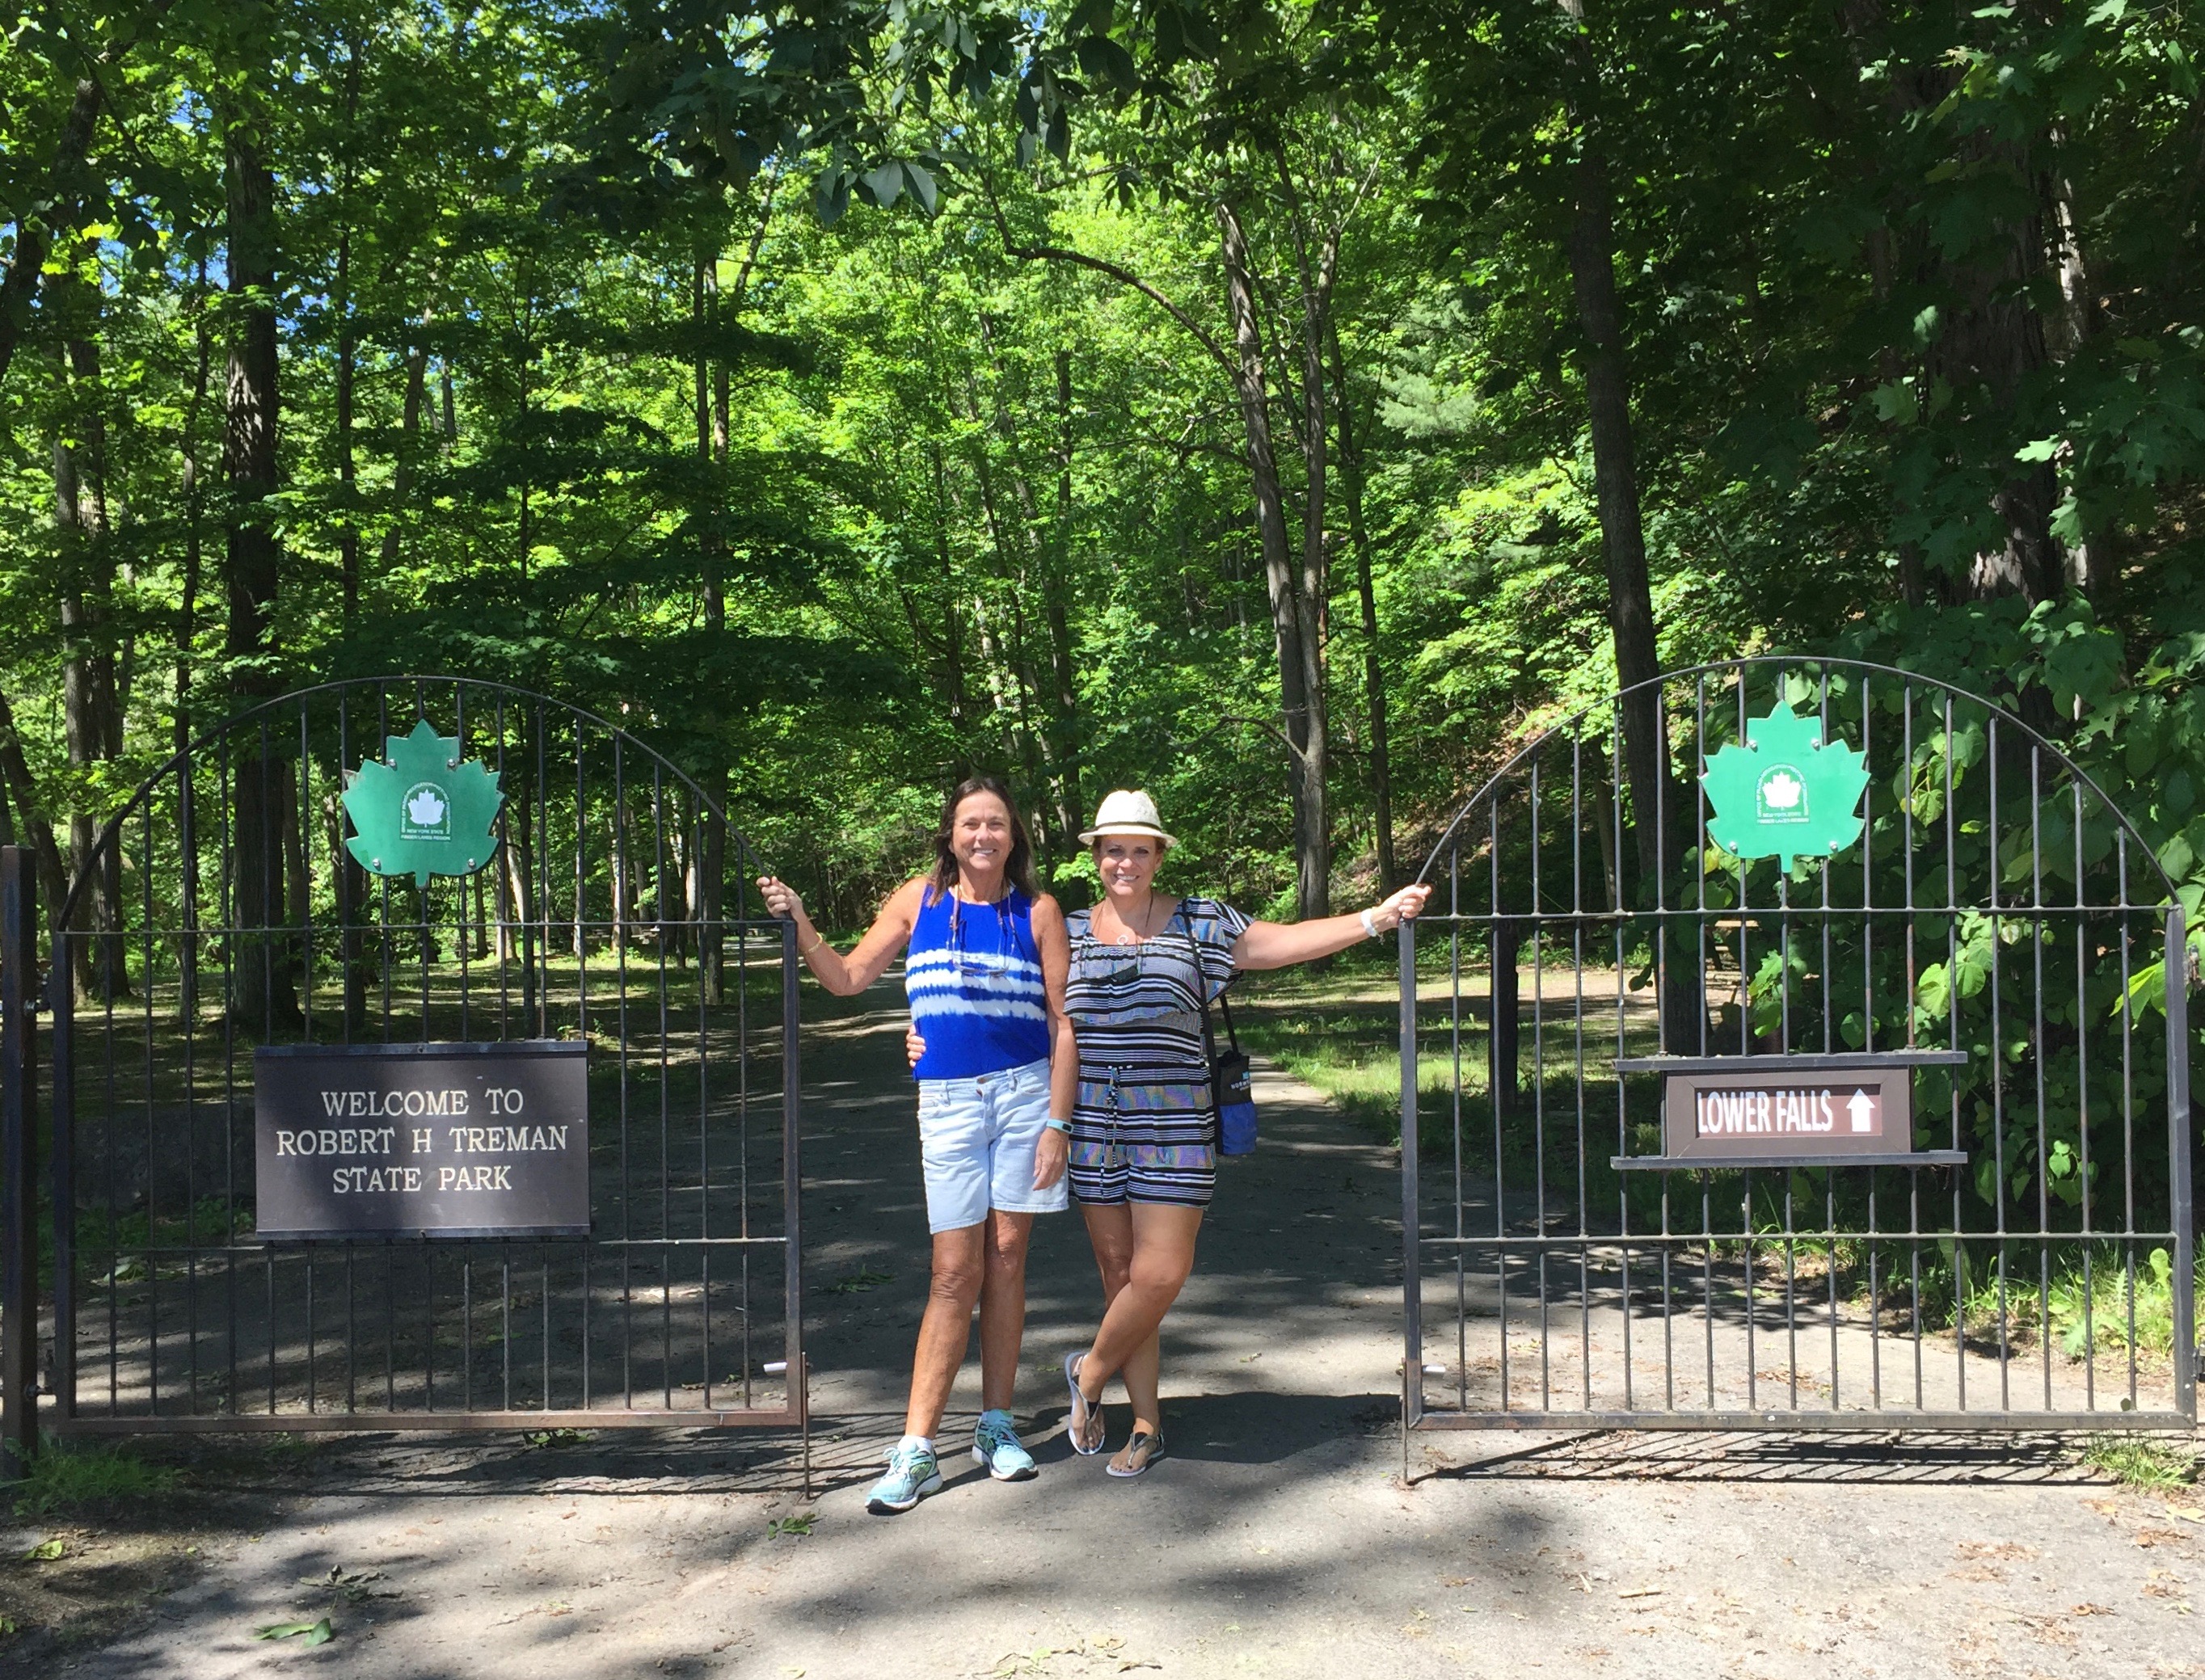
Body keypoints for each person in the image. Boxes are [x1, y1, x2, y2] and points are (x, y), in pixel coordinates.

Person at [909, 787, 1430, 1477]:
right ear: (1097, 857)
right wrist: (918, 1034)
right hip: (1094, 1126)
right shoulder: (1068, 928)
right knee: (1120, 1276)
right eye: (1113, 849)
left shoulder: (1198, 923)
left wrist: (1374, 917)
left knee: (1160, 1273)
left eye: (1139, 850)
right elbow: (997, 999)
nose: (1125, 862)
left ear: (1158, 857)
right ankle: (1146, 1422)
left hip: (1177, 1122)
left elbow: (1282, 943)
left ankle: (1090, 1372)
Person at [757, 776, 1076, 1514]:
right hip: (950, 1101)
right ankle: (918, 1446)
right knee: (953, 1271)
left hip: (1026, 1097)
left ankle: (996, 1425)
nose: (983, 835)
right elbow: (847, 977)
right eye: (971, 824)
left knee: (1007, 1258)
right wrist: (801, 919)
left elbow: (1064, 1024)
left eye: (996, 823)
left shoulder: (1039, 910)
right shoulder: (919, 900)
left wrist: (1058, 1124)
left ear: (1014, 836)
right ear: (950, 834)